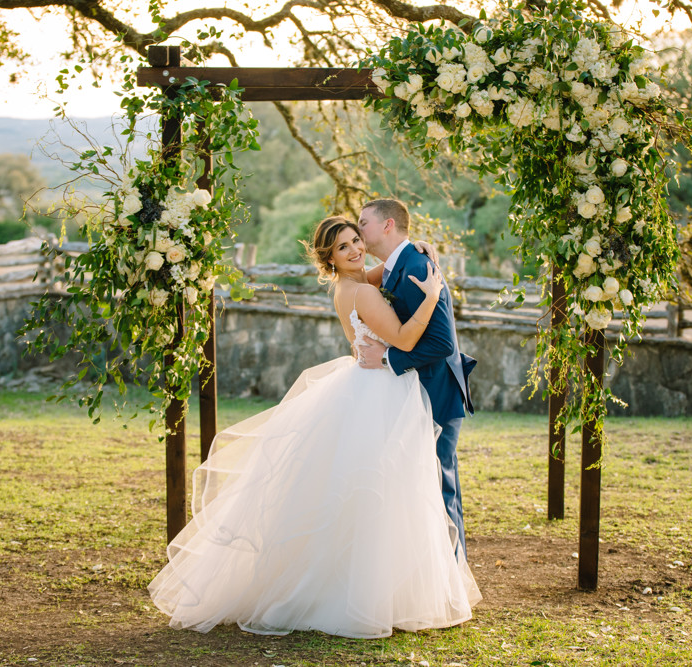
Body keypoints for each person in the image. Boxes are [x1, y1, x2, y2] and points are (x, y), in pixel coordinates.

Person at [148, 215, 481, 638]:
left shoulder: (356, 281)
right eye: (343, 247)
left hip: (367, 390)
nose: (356, 249)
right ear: (331, 258)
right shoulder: (359, 290)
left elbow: (390, 266)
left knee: (367, 493)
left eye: (357, 239)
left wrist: (422, 249)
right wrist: (433, 296)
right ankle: (357, 594)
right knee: (376, 492)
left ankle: (379, 586)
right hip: (376, 393)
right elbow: (406, 340)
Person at [355, 199, 476, 557]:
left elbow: (442, 343)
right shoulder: (394, 266)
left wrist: (389, 358)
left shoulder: (418, 265)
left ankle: (455, 576)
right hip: (415, 392)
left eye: (364, 223)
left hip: (437, 391)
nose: (359, 230)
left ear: (388, 225)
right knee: (418, 485)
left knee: (441, 485)